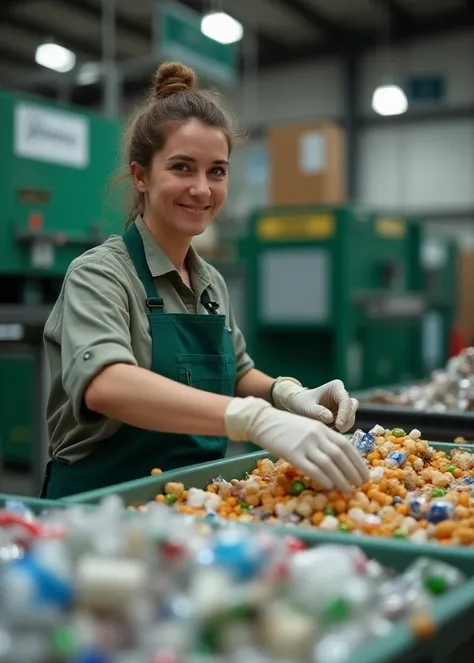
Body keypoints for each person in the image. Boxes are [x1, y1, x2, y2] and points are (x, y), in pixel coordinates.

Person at [41, 61, 369, 499]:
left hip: (195, 501)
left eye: (217, 170)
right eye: (182, 167)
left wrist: (286, 393)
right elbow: (106, 385)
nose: (202, 188)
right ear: (141, 175)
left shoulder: (209, 280)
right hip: (104, 503)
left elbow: (238, 370)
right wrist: (253, 419)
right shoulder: (101, 274)